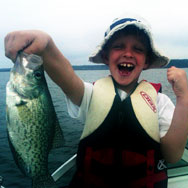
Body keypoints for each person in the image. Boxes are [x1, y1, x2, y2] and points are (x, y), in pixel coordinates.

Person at [4, 13, 188, 188]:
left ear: (146, 61)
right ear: (106, 57)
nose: (128, 53)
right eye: (119, 46)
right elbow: (65, 74)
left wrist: (183, 98)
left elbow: (172, 155)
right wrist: (46, 44)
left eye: (138, 49)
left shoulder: (160, 101)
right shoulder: (90, 94)